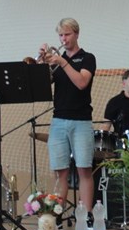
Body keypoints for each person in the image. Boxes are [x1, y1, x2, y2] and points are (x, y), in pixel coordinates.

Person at [40, 18, 96, 216]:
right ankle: (56, 217)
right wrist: (42, 65)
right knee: (60, 172)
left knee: (84, 169)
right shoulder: (57, 61)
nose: (64, 39)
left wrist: (62, 62)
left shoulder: (87, 58)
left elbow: (81, 83)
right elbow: (42, 86)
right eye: (61, 35)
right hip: (58, 120)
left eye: (67, 34)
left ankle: (87, 215)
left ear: (77, 34)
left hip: (81, 121)